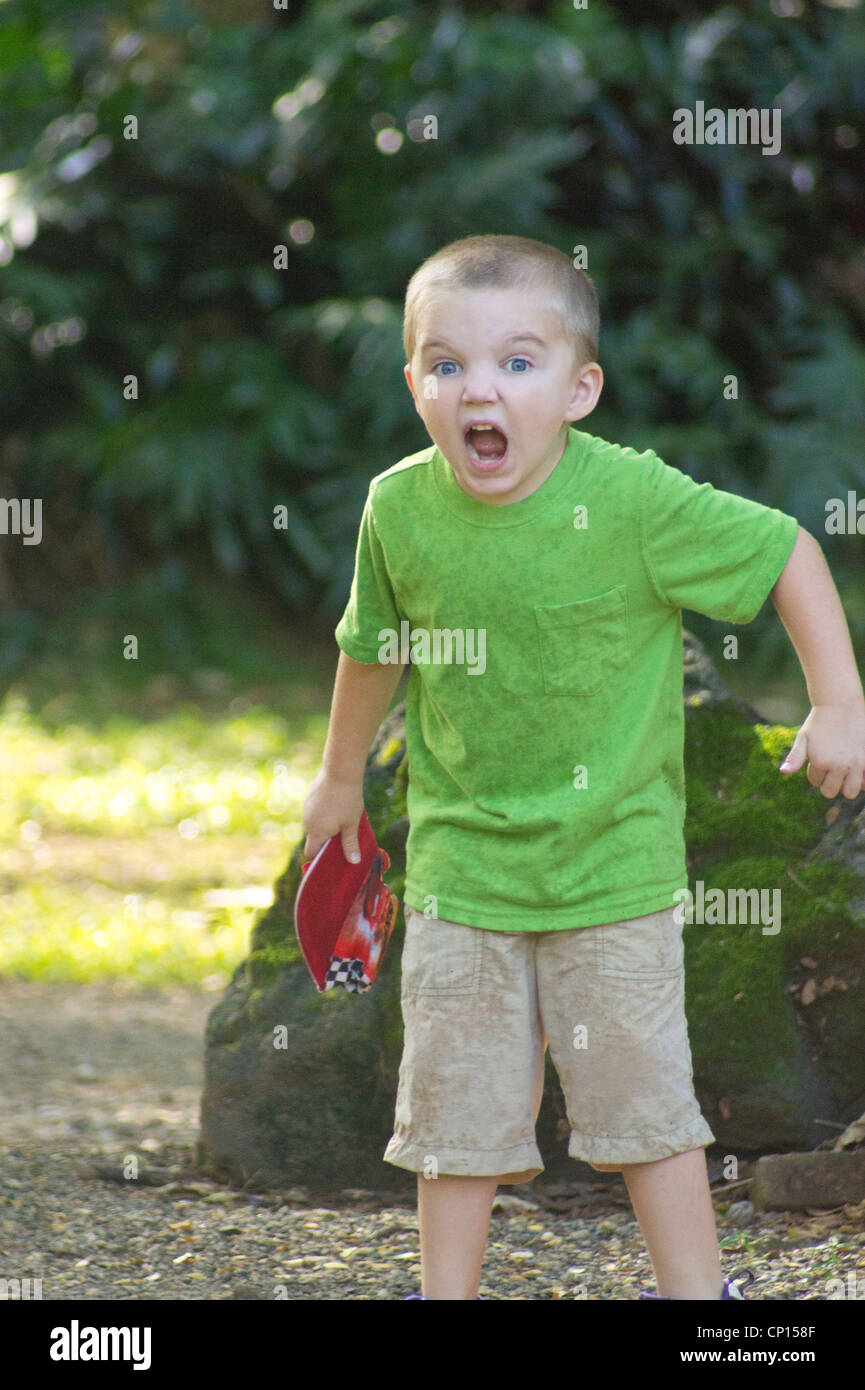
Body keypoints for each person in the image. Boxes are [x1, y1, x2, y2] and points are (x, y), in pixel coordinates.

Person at [301, 234, 865, 1301]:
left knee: (645, 1109)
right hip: (464, 870)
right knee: (456, 1114)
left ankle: (700, 1303)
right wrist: (338, 776)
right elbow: (371, 645)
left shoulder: (633, 504)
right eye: (447, 363)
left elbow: (787, 546)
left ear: (579, 387)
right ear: (415, 379)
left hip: (612, 870)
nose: (481, 388)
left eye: (518, 362)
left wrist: (839, 701)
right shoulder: (399, 508)